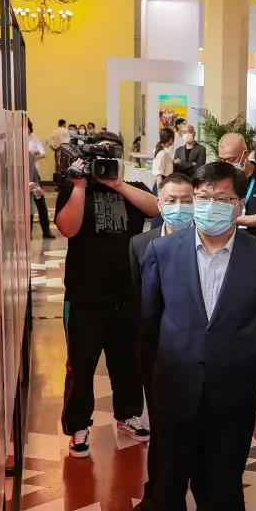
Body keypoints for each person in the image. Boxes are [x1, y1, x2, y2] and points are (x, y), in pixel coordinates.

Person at [142, 161, 256, 511]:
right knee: (168, 478)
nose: (210, 206)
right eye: (203, 198)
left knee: (227, 476)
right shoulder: (164, 251)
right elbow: (150, 319)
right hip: (175, 385)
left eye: (222, 199)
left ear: (238, 205)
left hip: (232, 387)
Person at [54, 132, 158, 458]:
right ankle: (78, 425)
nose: (107, 162)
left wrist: (119, 185)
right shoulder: (74, 188)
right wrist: (80, 186)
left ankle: (128, 414)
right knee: (80, 365)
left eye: (113, 156)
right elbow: (68, 228)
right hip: (84, 296)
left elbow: (155, 209)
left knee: (128, 362)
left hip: (127, 293)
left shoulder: (133, 188)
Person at [127, 173, 207, 511]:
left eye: (187, 200)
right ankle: (155, 495)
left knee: (203, 429)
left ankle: (205, 501)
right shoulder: (140, 244)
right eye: (171, 200)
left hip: (200, 356)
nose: (179, 207)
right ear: (159, 204)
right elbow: (138, 303)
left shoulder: (207, 242)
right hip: (157, 355)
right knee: (161, 431)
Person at [217, 132, 256, 244]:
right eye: (222, 160)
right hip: (226, 241)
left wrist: (229, 220)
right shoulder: (220, 177)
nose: (226, 164)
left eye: (231, 159)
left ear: (245, 154)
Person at [28, 119, 55, 239]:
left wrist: (32, 156)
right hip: (21, 179)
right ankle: (27, 234)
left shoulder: (33, 137)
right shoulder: (15, 138)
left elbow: (42, 153)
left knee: (41, 204)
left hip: (33, 178)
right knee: (28, 207)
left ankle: (46, 231)